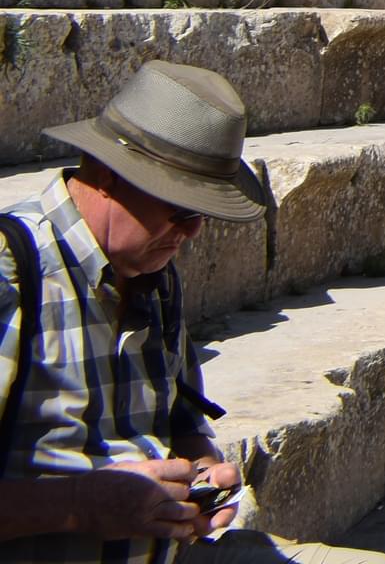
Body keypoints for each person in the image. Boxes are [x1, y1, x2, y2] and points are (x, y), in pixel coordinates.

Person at [0, 62, 272, 560]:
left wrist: (202, 467)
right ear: (108, 177)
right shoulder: (12, 273)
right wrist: (80, 505)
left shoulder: (154, 271)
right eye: (181, 209)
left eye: (201, 214)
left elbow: (180, 417)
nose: (192, 233)